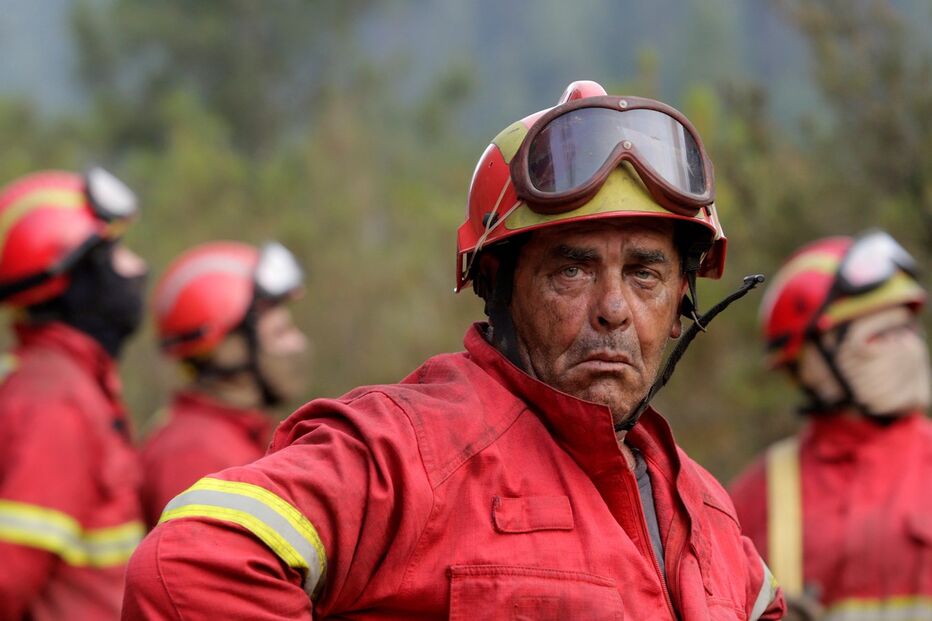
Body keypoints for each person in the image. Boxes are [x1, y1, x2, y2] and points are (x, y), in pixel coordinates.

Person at [122, 80, 784, 620]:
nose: (614, 308)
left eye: (645, 273)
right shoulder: (405, 454)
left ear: (681, 305)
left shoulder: (712, 520)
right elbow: (190, 564)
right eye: (571, 270)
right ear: (496, 286)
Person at [729, 231, 930, 620]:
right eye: (880, 334)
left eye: (907, 329)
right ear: (806, 359)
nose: (905, 348)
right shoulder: (753, 498)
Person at [0, 168, 148, 620]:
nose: (139, 268)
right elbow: (7, 581)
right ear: (76, 274)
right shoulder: (57, 401)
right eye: (118, 252)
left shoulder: (70, 383)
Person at [140, 240, 309, 528]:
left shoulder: (238, 436)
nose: (299, 343)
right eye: (280, 333)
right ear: (229, 349)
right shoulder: (194, 455)